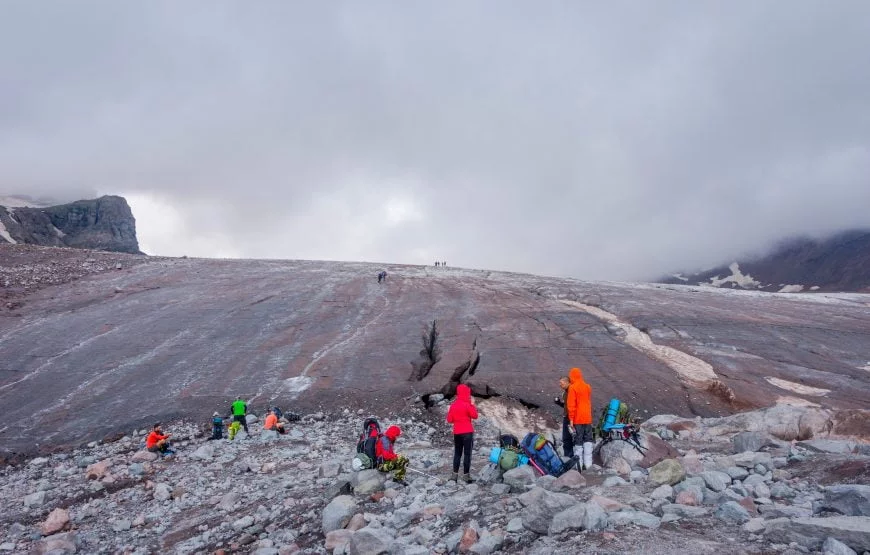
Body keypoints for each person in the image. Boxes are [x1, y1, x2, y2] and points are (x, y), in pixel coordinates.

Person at [446, 383, 478, 483]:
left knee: (457, 453)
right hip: (467, 432)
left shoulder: (453, 405)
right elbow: (475, 416)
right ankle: (466, 476)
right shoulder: (467, 404)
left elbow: (449, 420)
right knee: (467, 454)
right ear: (466, 393)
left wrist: (450, 412)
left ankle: (454, 476)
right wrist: (472, 405)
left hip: (457, 433)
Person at [567, 367, 594, 470]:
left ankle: (579, 465)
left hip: (578, 418)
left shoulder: (572, 388)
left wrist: (571, 419)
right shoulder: (587, 387)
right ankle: (588, 464)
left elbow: (571, 405)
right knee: (588, 439)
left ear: (572, 376)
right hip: (587, 418)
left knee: (578, 440)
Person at [553, 376, 574, 458]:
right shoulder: (565, 392)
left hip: (570, 418)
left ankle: (568, 457)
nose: (560, 385)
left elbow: (571, 406)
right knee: (567, 438)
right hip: (567, 417)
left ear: (567, 382)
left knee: (567, 438)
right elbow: (566, 406)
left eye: (561, 383)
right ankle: (569, 456)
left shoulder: (571, 392)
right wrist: (559, 403)